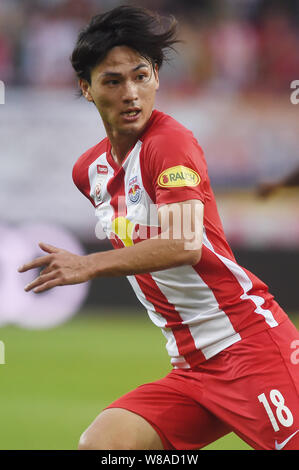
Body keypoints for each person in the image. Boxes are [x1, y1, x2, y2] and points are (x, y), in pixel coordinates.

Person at [18, 6, 299, 451]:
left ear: (157, 79)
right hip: (191, 368)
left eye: (141, 76)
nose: (131, 93)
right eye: (113, 81)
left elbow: (185, 245)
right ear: (86, 89)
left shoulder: (169, 144)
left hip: (250, 349)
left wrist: (88, 265)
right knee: (104, 446)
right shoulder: (87, 171)